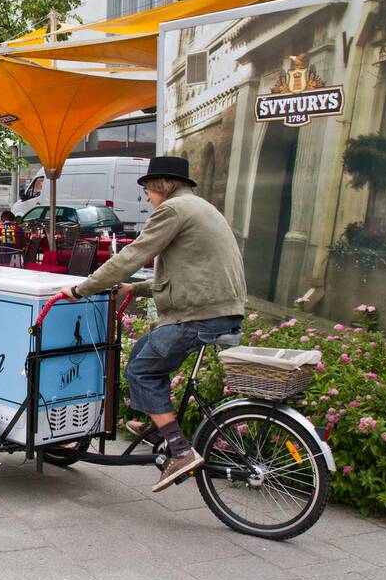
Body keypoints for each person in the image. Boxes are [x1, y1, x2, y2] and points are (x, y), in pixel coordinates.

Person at [59, 156, 246, 493]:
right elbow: (191, 271)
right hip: (221, 308)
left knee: (142, 370)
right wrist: (137, 288)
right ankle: (156, 424)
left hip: (200, 313)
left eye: (147, 190)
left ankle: (179, 449)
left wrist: (81, 289)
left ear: (162, 185)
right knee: (146, 349)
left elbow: (132, 255)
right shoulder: (199, 207)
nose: (146, 197)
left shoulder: (172, 210)